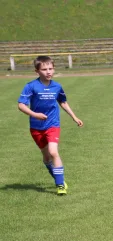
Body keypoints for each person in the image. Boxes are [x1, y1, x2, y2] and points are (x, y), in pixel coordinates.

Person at [17, 55, 83, 195]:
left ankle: (60, 185)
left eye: (51, 69)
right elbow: (21, 105)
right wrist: (35, 115)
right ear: (37, 71)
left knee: (54, 152)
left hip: (53, 124)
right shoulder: (31, 86)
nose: (48, 72)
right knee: (46, 158)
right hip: (36, 127)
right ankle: (58, 178)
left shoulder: (57, 86)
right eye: (45, 69)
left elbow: (63, 102)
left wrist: (74, 117)